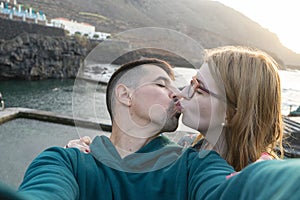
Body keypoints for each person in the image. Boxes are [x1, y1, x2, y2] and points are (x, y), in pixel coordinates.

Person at [17, 56, 300, 200]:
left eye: (187, 86)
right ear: (125, 95)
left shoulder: (196, 164)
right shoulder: (66, 161)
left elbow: (230, 191)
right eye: (161, 84)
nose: (178, 94)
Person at [180, 46, 284, 170]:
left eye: (199, 89)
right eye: (192, 82)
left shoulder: (256, 181)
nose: (182, 93)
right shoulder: (185, 145)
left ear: (231, 114)